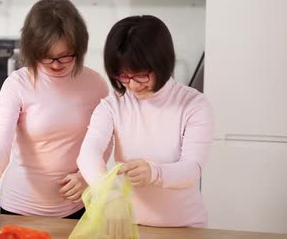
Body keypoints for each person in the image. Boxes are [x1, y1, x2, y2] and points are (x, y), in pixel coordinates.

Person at [0, 0, 109, 219]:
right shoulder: (18, 84)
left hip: (74, 208)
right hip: (18, 207)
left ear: (79, 48)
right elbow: (1, 140)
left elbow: (104, 140)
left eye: (65, 56)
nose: (55, 64)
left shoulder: (95, 85)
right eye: (47, 57)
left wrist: (86, 176)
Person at [77, 15, 214, 227]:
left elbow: (192, 168)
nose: (132, 85)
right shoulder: (113, 105)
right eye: (123, 76)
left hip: (183, 227)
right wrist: (108, 190)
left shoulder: (193, 104)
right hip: (128, 226)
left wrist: (155, 173)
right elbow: (88, 154)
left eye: (141, 75)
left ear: (162, 63)